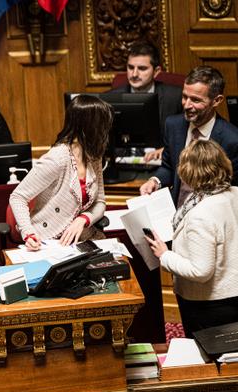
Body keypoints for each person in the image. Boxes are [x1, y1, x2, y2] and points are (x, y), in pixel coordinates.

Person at [146, 139, 238, 337]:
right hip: (232, 294)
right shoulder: (234, 194)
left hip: (209, 304)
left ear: (188, 172)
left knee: (205, 354)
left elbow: (200, 271)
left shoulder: (201, 214)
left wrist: (164, 255)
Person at [9, 95, 113, 251]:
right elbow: (18, 197)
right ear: (88, 127)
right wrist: (28, 232)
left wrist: (84, 219)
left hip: (83, 237)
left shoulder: (94, 155)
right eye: (103, 125)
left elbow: (100, 202)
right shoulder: (57, 159)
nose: (106, 131)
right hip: (48, 240)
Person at [140, 66, 238, 206]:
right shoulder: (173, 125)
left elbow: (233, 191)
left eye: (195, 100)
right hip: (175, 211)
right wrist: (154, 181)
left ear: (216, 100)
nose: (186, 105)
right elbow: (169, 167)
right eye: (184, 97)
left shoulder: (232, 140)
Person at [109, 41, 183, 162]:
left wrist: (167, 150)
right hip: (122, 164)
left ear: (156, 71)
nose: (134, 74)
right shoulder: (112, 97)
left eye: (142, 68)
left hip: (161, 163)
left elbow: (186, 134)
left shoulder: (175, 97)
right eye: (130, 67)